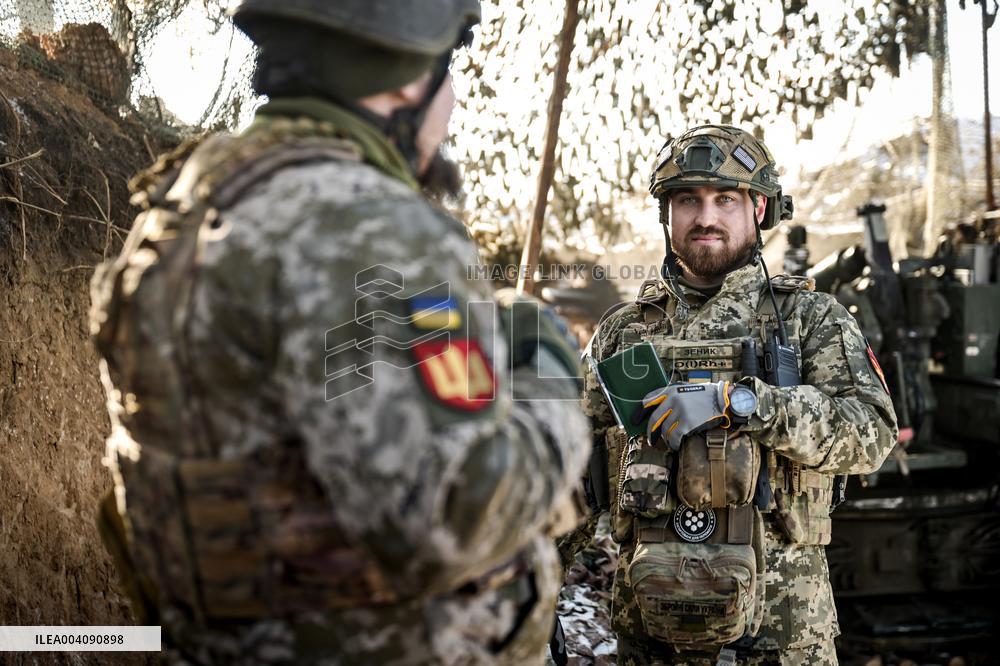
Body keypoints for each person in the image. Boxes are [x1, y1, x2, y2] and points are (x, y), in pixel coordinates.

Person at [88, 1, 590, 663]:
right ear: (411, 79)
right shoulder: (371, 230)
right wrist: (546, 365)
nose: (454, 104)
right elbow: (456, 515)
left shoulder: (185, 202)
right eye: (452, 72)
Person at [561, 125, 897, 665]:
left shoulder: (810, 321)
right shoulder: (624, 332)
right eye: (687, 200)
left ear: (759, 209)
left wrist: (742, 402)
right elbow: (574, 471)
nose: (706, 217)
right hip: (650, 635)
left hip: (780, 638)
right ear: (667, 212)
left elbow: (871, 433)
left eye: (725, 199)